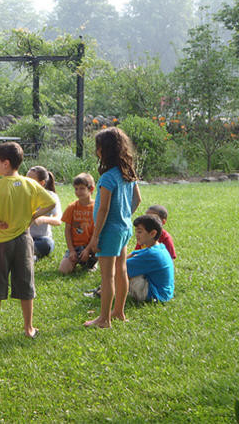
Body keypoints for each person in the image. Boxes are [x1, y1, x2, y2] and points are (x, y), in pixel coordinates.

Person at [0, 142, 56, 339]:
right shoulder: (30, 184)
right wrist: (33, 216)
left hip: (0, 242)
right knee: (26, 284)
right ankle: (29, 329)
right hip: (24, 240)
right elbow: (51, 203)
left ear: (6, 164)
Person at [83, 127, 141, 329]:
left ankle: (104, 319)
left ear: (105, 150)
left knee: (107, 276)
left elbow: (104, 208)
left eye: (98, 147)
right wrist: (124, 215)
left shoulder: (108, 177)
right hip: (124, 229)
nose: (96, 151)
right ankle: (119, 312)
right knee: (121, 270)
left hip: (109, 231)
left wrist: (95, 236)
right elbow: (137, 199)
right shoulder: (127, 172)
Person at [0, 166, 61, 260]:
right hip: (18, 236)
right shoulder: (21, 192)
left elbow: (58, 220)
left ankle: (10, 252)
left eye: (30, 179)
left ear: (42, 183)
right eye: (25, 178)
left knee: (47, 244)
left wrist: (42, 219)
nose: (26, 182)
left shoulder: (51, 196)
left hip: (38, 239)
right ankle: (23, 254)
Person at [127, 214, 174, 302]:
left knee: (122, 271)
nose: (136, 235)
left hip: (156, 295)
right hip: (164, 293)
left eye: (139, 232)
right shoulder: (159, 247)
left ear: (153, 233)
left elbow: (121, 267)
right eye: (136, 231)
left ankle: (105, 291)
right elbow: (134, 254)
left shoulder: (152, 254)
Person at [59, 173, 98, 274]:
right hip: (76, 247)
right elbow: (67, 231)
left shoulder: (97, 207)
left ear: (91, 189)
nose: (78, 192)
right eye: (76, 189)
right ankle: (77, 260)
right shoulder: (72, 207)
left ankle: (93, 261)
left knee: (98, 245)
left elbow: (97, 232)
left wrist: (88, 250)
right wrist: (72, 250)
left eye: (82, 188)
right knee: (64, 270)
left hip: (91, 246)